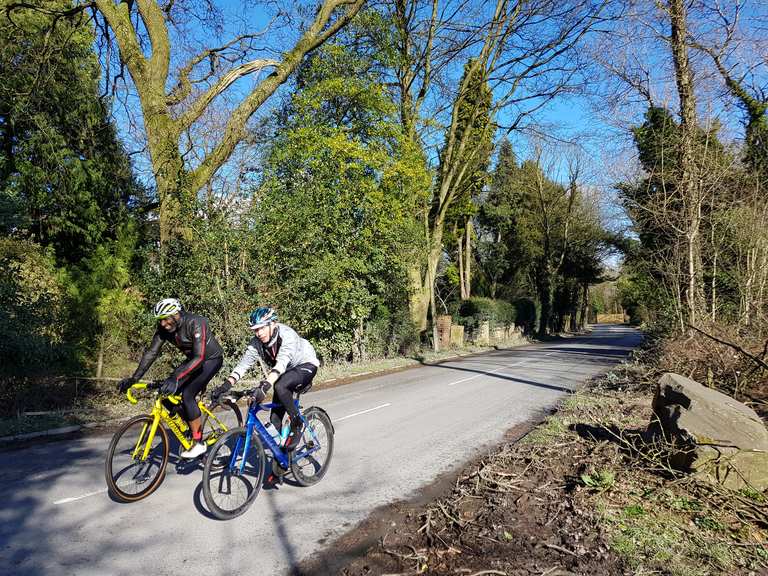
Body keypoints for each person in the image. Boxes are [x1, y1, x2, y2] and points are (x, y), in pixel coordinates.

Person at [117, 298, 223, 459]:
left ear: (176, 314)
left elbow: (200, 357)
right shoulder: (164, 330)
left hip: (210, 359)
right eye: (160, 321)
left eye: (166, 319)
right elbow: (151, 353)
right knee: (165, 393)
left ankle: (198, 442)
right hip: (192, 360)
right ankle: (189, 425)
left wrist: (175, 377)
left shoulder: (195, 322)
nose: (164, 324)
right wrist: (134, 378)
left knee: (187, 395)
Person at [211, 306, 319, 453]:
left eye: (262, 328)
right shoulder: (256, 343)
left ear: (273, 323)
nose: (259, 333)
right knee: (275, 422)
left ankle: (297, 422)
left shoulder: (287, 335)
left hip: (305, 364)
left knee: (280, 386)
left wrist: (265, 386)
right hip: (285, 372)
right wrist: (225, 386)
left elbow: (281, 363)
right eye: (255, 330)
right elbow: (243, 366)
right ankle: (281, 463)